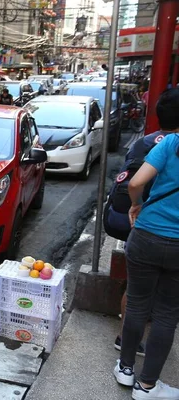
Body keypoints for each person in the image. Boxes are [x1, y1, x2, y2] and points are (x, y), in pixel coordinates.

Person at [114, 88, 179, 399]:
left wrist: (136, 205)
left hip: (147, 232)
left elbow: (136, 183)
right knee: (167, 313)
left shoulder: (170, 143)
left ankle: (125, 369)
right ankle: (148, 386)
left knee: (138, 302)